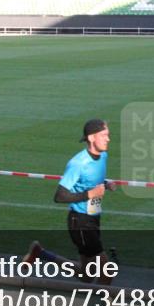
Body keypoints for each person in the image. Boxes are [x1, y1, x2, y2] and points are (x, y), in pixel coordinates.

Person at [23, 118, 115, 284]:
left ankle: (40, 253)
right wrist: (90, 194)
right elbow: (60, 196)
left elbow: (91, 182)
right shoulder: (77, 164)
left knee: (86, 275)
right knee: (107, 271)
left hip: (93, 218)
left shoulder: (103, 156)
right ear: (92, 137)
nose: (108, 139)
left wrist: (106, 184)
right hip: (80, 222)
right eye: (104, 135)